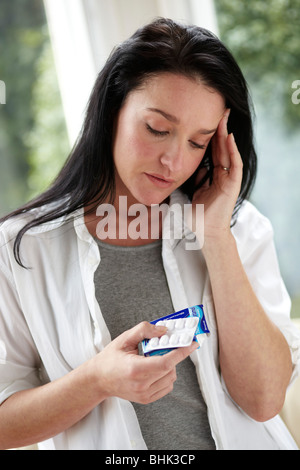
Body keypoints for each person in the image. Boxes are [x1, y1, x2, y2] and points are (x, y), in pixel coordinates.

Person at [0, 17, 299, 451]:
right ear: (112, 112)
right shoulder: (22, 249)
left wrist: (215, 237)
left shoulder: (238, 226)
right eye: (157, 130)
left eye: (198, 143)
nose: (174, 162)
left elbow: (265, 399)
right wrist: (97, 380)